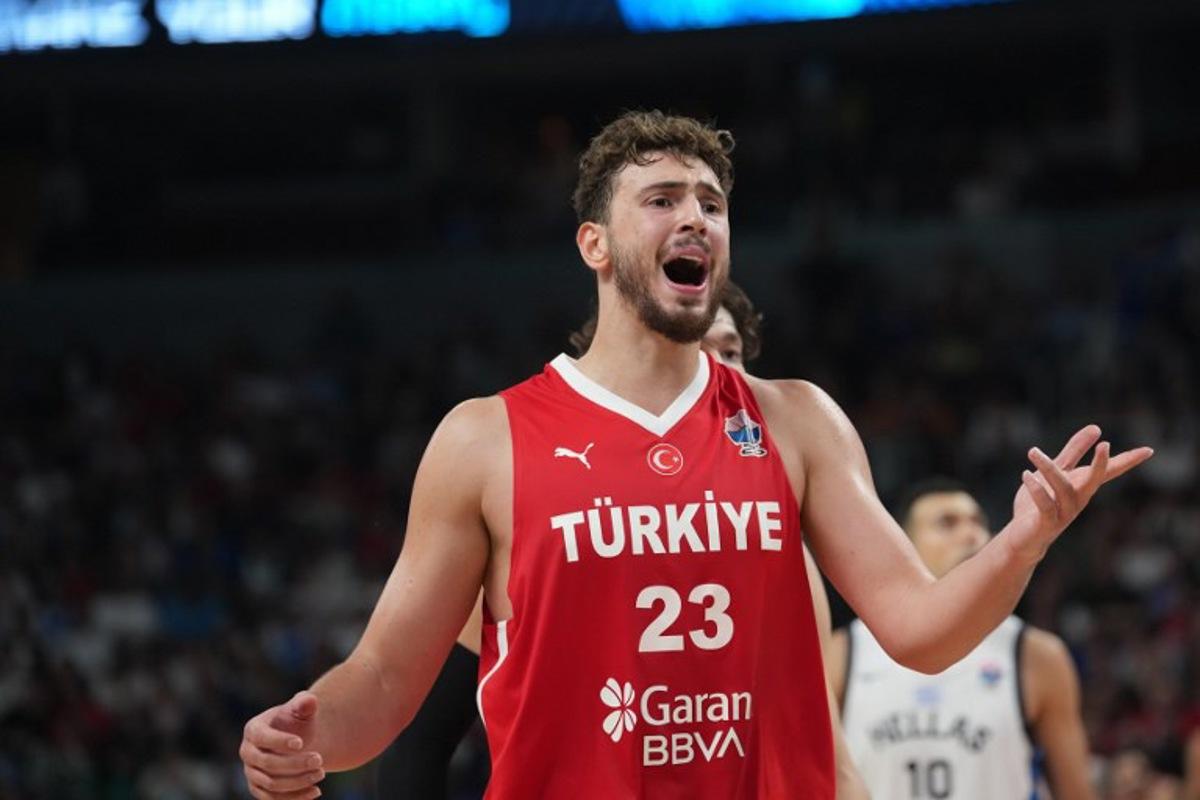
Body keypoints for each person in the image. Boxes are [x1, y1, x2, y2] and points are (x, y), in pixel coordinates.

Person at [238, 110, 1152, 799]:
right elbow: (388, 678)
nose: (696, 219)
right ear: (595, 244)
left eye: (712, 205)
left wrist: (1023, 541)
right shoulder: (484, 438)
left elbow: (918, 629)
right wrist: (301, 737)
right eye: (663, 200)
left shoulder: (798, 421)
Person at [375, 281, 870, 798]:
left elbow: (833, 760)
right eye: (697, 354)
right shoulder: (539, 548)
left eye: (730, 353)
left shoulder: (787, 559)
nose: (715, 373)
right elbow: (418, 743)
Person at [828, 478, 1097, 799]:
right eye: (947, 523)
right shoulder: (842, 653)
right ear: (903, 545)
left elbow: (1075, 791)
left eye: (978, 523)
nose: (971, 534)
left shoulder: (1037, 655)